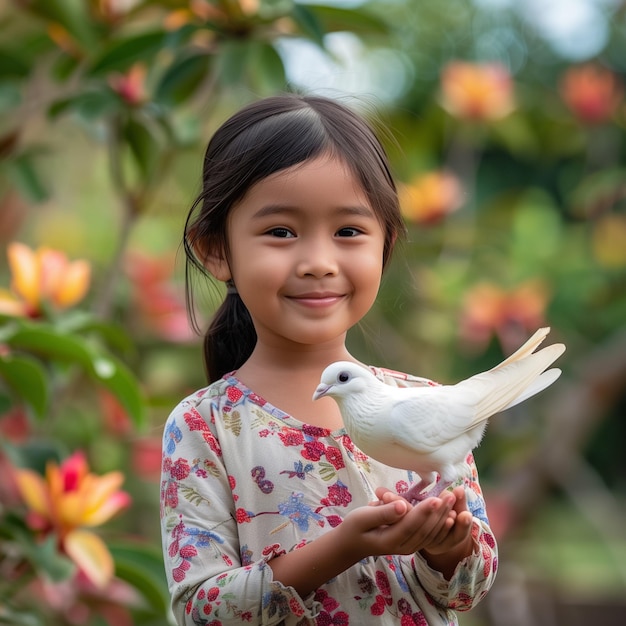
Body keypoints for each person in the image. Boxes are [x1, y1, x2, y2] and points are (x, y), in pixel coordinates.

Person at [160, 94, 497, 626]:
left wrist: (447, 544)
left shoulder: (428, 401)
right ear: (217, 250)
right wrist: (342, 547)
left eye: (348, 231)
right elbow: (203, 610)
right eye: (280, 232)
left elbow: (468, 588)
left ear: (385, 245)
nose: (318, 263)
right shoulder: (204, 426)